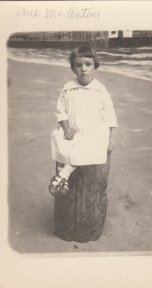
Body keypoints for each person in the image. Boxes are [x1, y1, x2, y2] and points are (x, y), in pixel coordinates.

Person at [49, 44, 117, 196]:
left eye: (88, 64)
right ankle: (63, 174)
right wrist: (66, 129)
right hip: (72, 129)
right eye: (79, 65)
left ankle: (64, 174)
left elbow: (110, 115)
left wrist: (109, 138)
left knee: (90, 146)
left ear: (95, 66)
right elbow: (61, 111)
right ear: (73, 69)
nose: (84, 69)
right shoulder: (68, 88)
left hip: (92, 130)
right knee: (57, 139)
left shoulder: (100, 90)